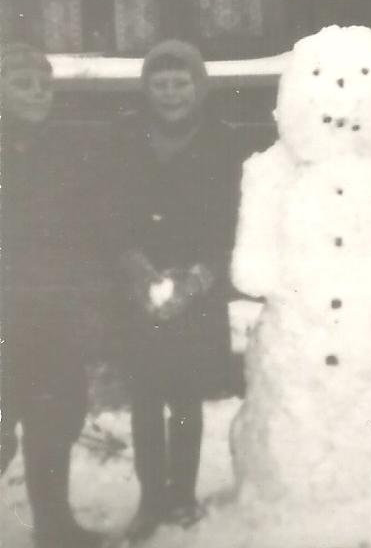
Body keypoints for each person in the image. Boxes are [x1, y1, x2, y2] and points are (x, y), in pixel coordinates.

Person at [105, 40, 239, 541]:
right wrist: (134, 267)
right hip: (135, 282)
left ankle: (181, 494)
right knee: (144, 395)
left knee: (185, 397)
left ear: (198, 87)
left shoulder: (222, 141)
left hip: (195, 285)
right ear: (146, 89)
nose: (170, 94)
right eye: (159, 85)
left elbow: (229, 216)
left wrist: (199, 278)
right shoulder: (123, 137)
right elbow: (108, 210)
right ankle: (150, 498)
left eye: (180, 83)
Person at [0, 43, 103, 548]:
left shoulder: (65, 150)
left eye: (44, 85)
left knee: (56, 418)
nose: (37, 94)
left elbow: (87, 229)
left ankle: (55, 528)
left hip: (54, 312)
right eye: (23, 83)